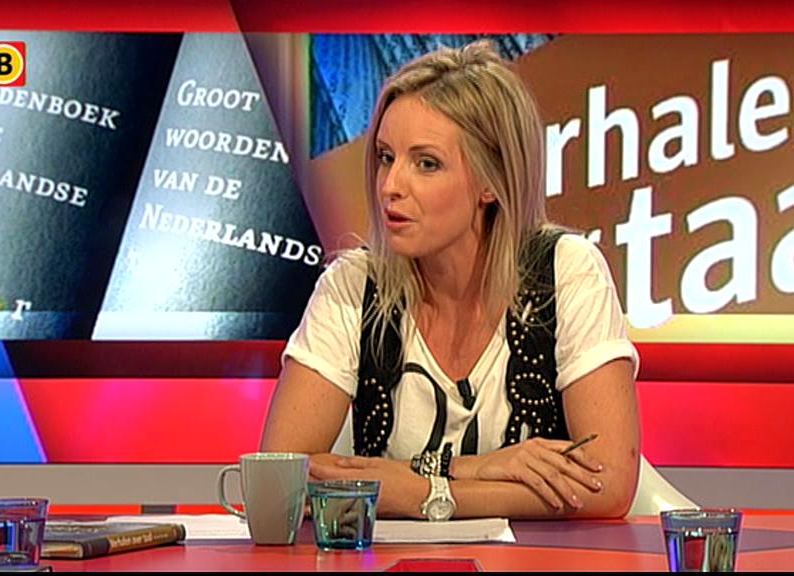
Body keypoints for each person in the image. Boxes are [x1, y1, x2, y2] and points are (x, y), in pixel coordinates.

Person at [261, 40, 640, 520]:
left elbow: (608, 483)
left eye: (426, 164)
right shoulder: (352, 286)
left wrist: (423, 493)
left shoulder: (567, 272)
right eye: (385, 157)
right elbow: (280, 481)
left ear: (491, 182)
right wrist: (471, 469)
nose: (390, 186)